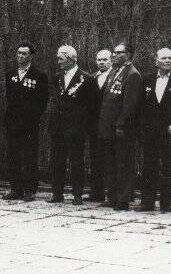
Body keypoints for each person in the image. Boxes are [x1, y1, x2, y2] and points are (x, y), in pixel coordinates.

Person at [139, 48, 171, 212]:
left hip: (170, 131)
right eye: (164, 58)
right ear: (156, 61)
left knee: (169, 166)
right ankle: (147, 202)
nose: (168, 60)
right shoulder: (146, 79)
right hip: (150, 131)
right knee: (149, 166)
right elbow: (142, 106)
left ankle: (167, 203)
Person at [48, 45, 96, 205]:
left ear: (70, 59)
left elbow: (92, 106)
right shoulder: (56, 77)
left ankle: (77, 194)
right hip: (58, 127)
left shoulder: (87, 79)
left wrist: (84, 126)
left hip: (76, 128)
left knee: (76, 162)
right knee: (57, 161)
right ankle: (57, 194)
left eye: (60, 58)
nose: (58, 61)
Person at [97, 43, 142, 210]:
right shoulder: (115, 71)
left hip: (121, 127)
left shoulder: (132, 74)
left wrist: (121, 124)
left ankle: (123, 199)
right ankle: (113, 196)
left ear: (128, 55)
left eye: (118, 52)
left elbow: (129, 104)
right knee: (110, 162)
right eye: (114, 52)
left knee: (123, 163)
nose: (114, 55)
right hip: (108, 126)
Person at [3, 41, 49, 201]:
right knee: (12, 156)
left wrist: (33, 117)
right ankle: (15, 188)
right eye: (19, 53)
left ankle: (30, 190)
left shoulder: (39, 76)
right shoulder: (10, 74)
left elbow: (43, 101)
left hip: (29, 125)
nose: (20, 56)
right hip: (13, 123)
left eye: (24, 54)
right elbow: (9, 96)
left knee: (29, 157)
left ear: (31, 56)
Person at [88, 49, 113, 201]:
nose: (101, 62)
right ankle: (96, 192)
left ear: (111, 60)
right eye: (99, 60)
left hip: (109, 124)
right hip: (94, 125)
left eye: (104, 60)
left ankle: (111, 193)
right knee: (95, 158)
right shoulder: (93, 77)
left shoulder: (115, 76)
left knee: (109, 159)